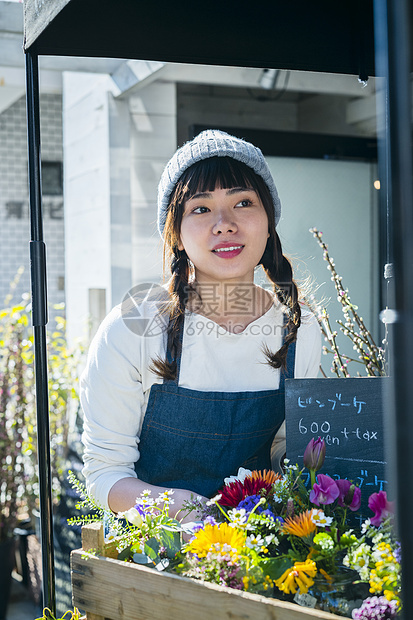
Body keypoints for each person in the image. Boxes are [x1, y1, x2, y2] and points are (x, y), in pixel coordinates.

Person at [81, 129, 321, 517]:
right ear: (175, 233)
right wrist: (190, 511)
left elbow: (287, 451)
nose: (224, 224)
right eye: (201, 208)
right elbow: (105, 475)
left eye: (243, 202)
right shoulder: (135, 326)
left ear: (268, 219)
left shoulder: (299, 329)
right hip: (149, 557)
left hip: (261, 556)